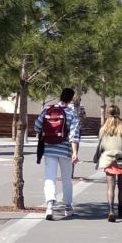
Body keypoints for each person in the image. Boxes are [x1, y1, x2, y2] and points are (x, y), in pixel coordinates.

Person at [35, 88, 81, 221]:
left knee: (50, 177)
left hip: (49, 149)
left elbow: (37, 126)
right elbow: (74, 135)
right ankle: (67, 207)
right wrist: (75, 153)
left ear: (60, 96)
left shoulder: (47, 109)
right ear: (71, 98)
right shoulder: (72, 113)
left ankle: (49, 206)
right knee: (66, 179)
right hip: (65, 150)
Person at [94, 105, 122, 222]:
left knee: (110, 186)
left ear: (107, 114)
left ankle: (111, 210)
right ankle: (121, 211)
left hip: (108, 160)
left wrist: (96, 158)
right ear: (119, 115)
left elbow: (100, 146)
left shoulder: (103, 130)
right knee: (121, 186)